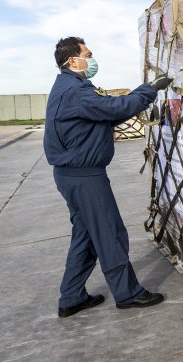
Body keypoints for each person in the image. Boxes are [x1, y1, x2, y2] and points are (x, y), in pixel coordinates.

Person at [44, 37, 173, 318]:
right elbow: (114, 109)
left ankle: (72, 297)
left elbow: (104, 115)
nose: (92, 60)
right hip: (85, 177)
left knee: (86, 236)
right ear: (73, 60)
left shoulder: (68, 87)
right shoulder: (75, 91)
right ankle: (128, 294)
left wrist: (136, 101)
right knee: (109, 233)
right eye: (88, 54)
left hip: (71, 175)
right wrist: (149, 90)